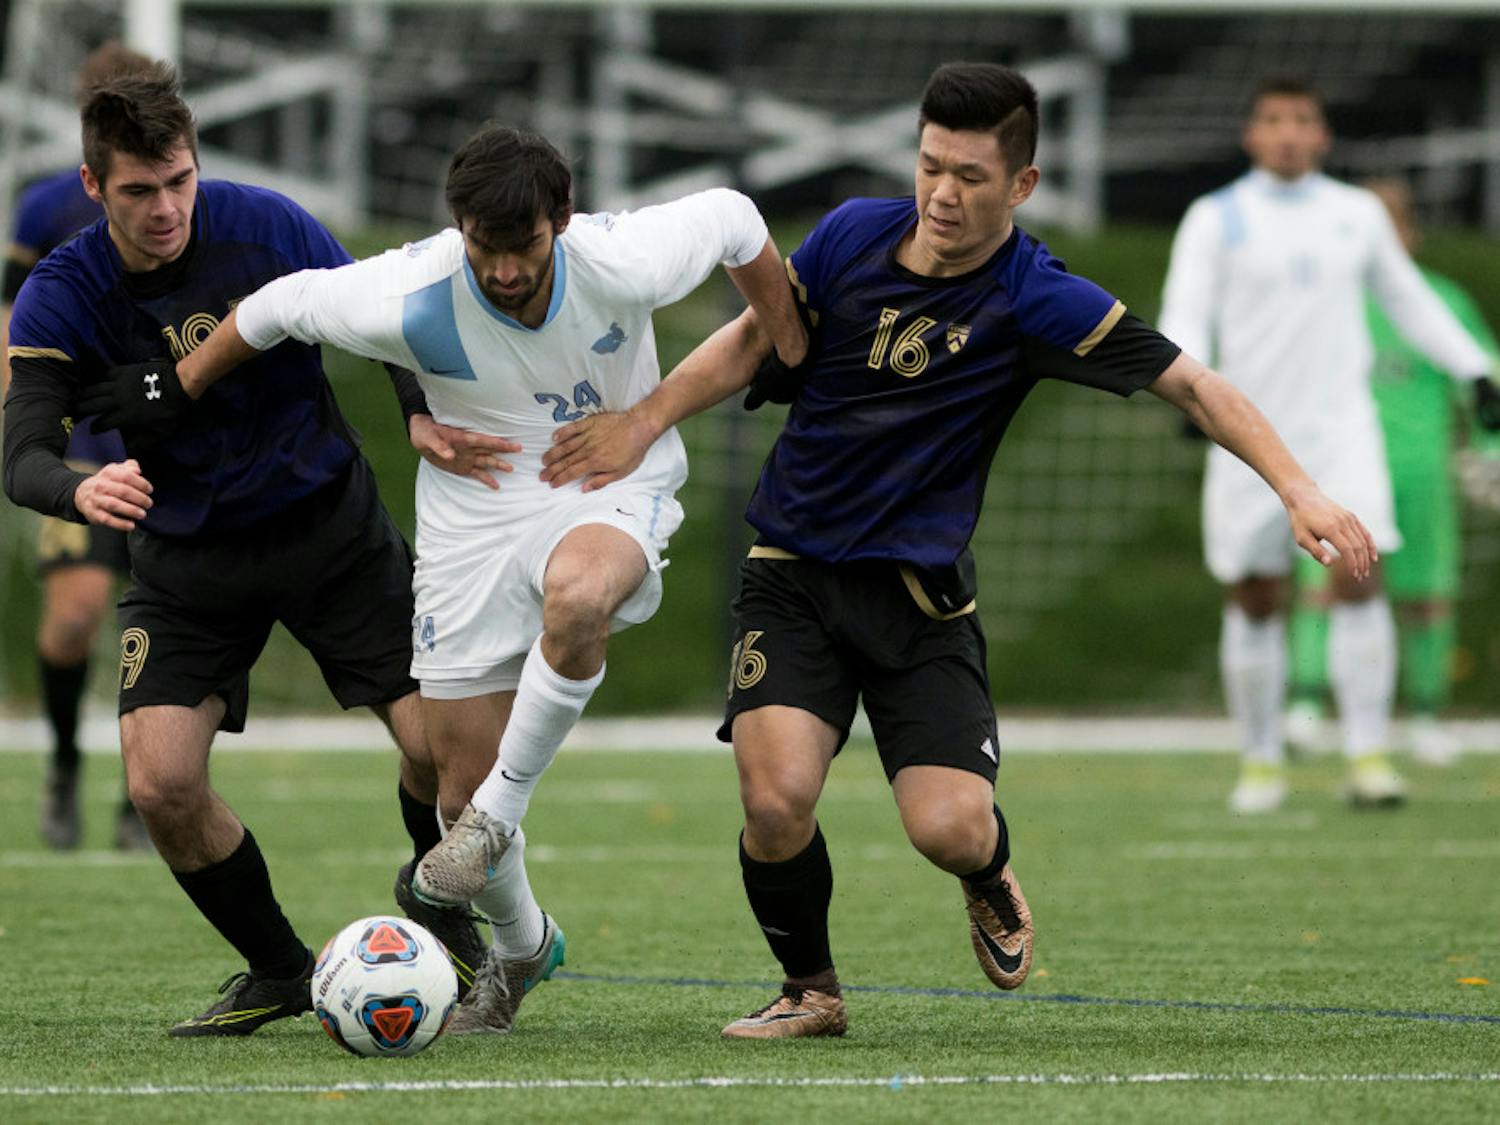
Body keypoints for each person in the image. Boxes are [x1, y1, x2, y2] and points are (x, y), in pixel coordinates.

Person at [535, 61, 1377, 1039]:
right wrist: (642, 421)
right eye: (930, 165)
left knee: (947, 828)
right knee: (775, 801)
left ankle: (987, 869)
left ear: (1021, 185)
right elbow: (756, 339)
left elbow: (1194, 385)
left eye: (970, 176)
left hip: (920, 602)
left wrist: (1298, 488)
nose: (941, 193)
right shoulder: (852, 233)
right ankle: (811, 989)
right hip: (794, 575)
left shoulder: (1035, 297)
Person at [92, 124, 808, 1034]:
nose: (504, 270)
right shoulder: (410, 290)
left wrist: (780, 348)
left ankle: (498, 816)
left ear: (563, 220)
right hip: (472, 515)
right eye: (483, 246)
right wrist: (180, 386)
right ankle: (523, 945)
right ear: (458, 226)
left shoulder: (621, 259)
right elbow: (272, 308)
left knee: (578, 598)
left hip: (606, 481)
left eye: (525, 246)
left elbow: (737, 218)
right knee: (452, 791)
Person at [2, 62, 509, 1035]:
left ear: (196, 163)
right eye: (139, 190)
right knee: (159, 781)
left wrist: (416, 413)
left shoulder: (267, 227)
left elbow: (385, 314)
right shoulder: (64, 291)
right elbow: (20, 451)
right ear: (93, 185)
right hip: (187, 563)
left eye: (179, 180)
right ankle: (279, 969)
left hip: (330, 532)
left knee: (442, 754)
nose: (166, 209)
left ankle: (433, 895)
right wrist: (79, 487)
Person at [1159, 78, 1500, 814]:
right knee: (1255, 596)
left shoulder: (1355, 215)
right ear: (1252, 134)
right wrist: (1186, 391)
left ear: (1322, 135)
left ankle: (1369, 756)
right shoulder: (1215, 217)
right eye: (1273, 119)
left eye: (1301, 120)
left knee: (1359, 574)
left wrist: (1472, 369)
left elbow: (1408, 297)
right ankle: (1260, 761)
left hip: (1344, 432)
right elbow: (1185, 308)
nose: (1287, 132)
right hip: (1248, 438)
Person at [1284, 178, 1500, 767]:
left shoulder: (1442, 301)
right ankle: (1306, 707)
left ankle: (1425, 718)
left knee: (1427, 596)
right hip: (1338, 468)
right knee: (1326, 586)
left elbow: (1481, 375)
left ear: (1409, 234)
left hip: (1419, 471)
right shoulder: (1324, 301)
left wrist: (1490, 448)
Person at [1, 42, 154, 852]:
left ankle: (151, 788)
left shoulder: (195, 207)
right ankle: (63, 764)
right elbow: (13, 316)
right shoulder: (47, 207)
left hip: (172, 441)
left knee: (171, 620)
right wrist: (23, 420)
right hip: (86, 439)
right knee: (75, 615)